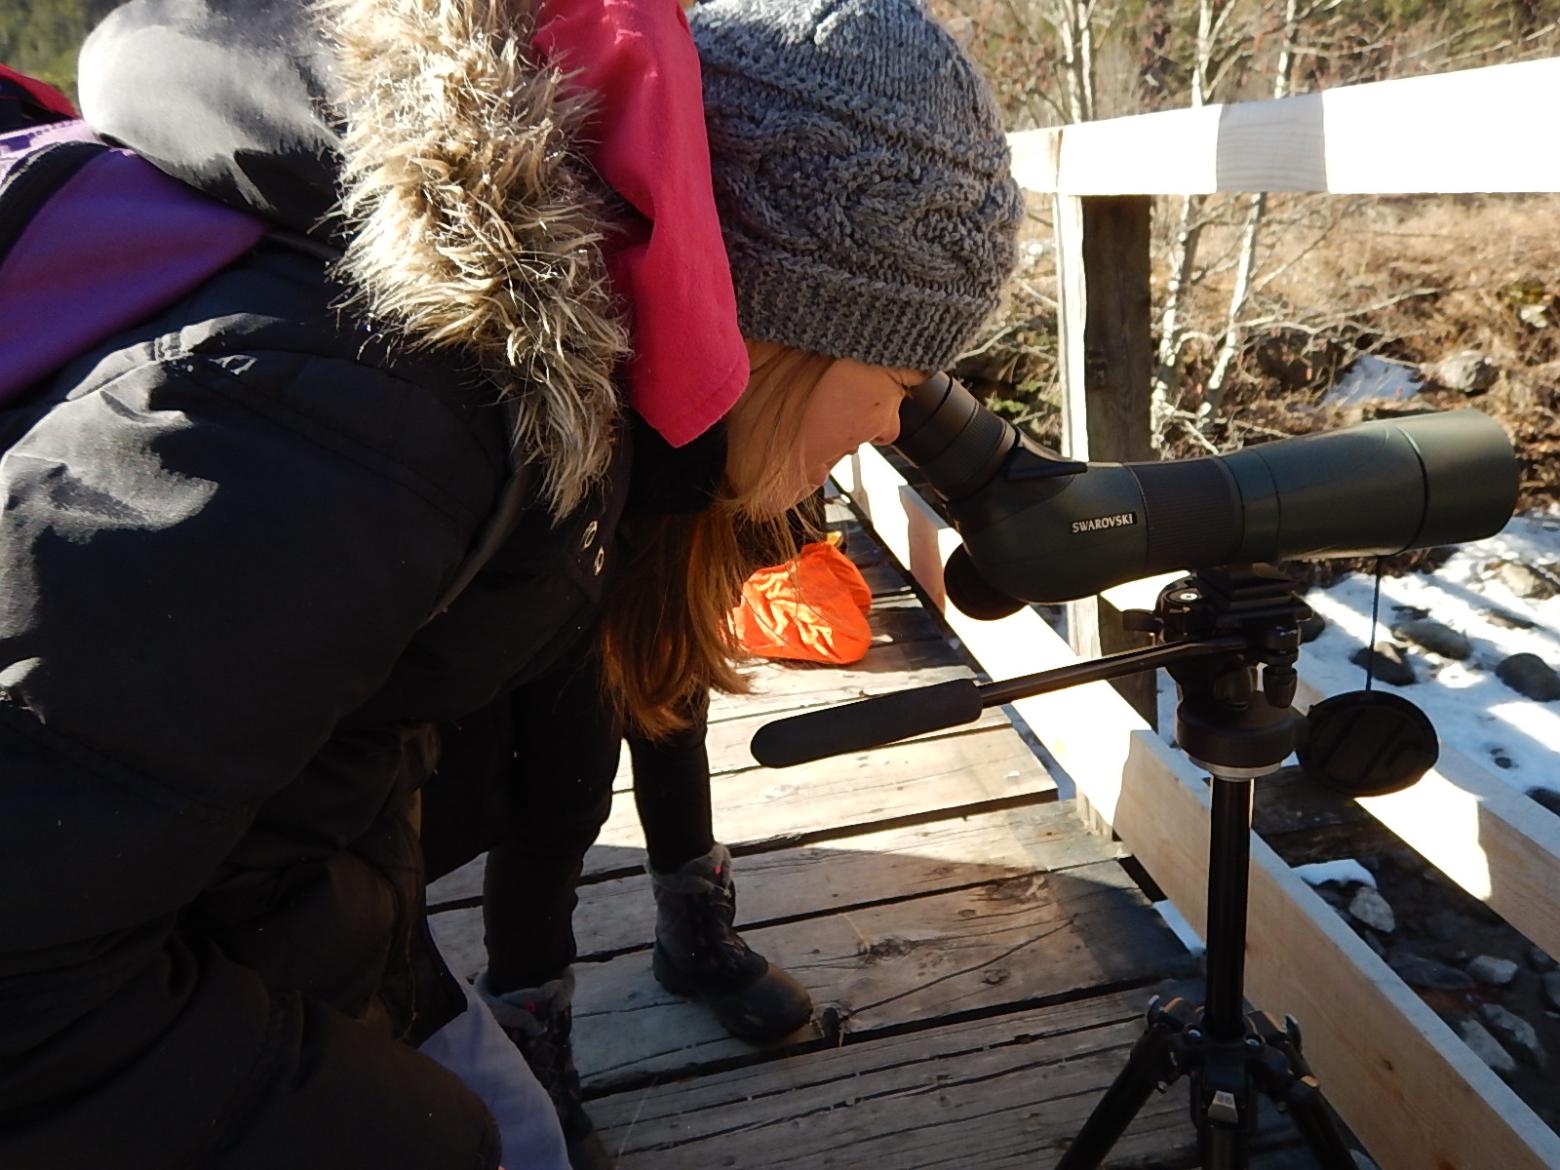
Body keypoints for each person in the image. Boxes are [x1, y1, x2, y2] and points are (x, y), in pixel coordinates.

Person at [0, 3, 1021, 1170]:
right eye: (895, 376)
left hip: (286, 922)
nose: (895, 423)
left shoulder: (540, 399)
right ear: (771, 322)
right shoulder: (355, 415)